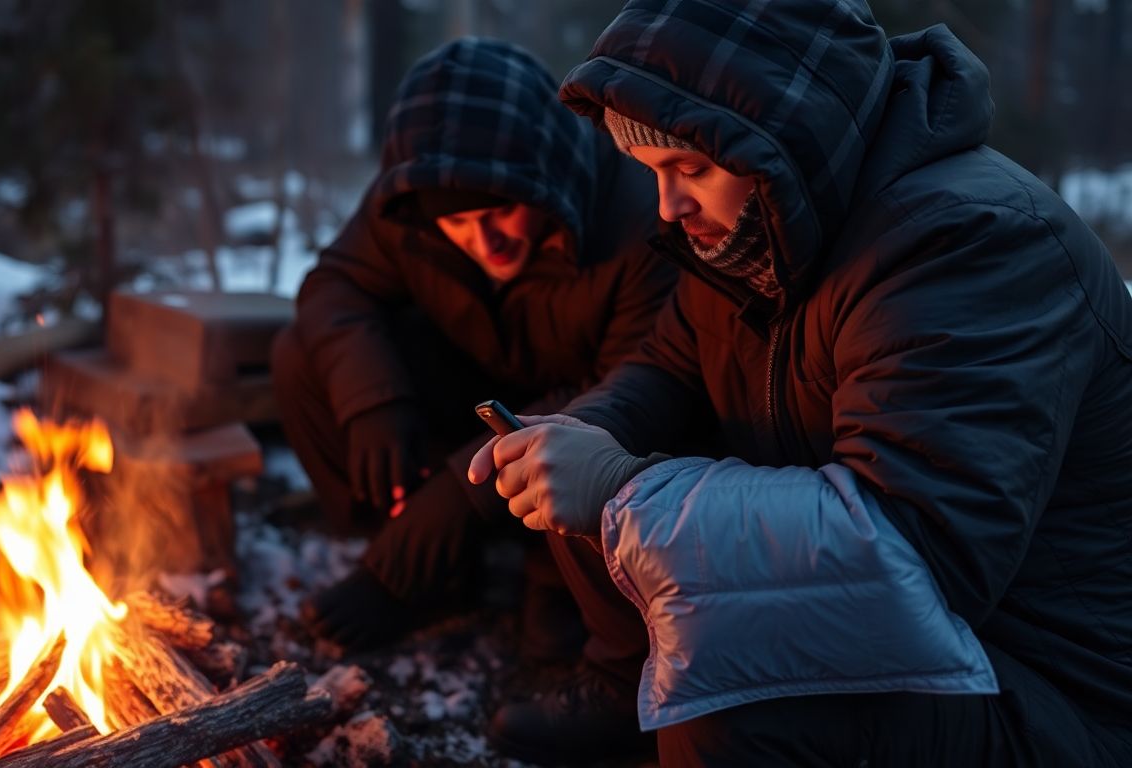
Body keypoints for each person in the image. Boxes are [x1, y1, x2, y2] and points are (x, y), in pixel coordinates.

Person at [468, 1, 1132, 765]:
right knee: (601, 469)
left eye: (691, 168)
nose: (668, 204)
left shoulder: (971, 240)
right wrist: (586, 438)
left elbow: (912, 552)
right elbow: (665, 373)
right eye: (652, 172)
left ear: (787, 141)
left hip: (1048, 685)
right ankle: (633, 690)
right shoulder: (762, 225)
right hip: (926, 642)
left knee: (735, 707)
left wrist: (620, 487)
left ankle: (677, 716)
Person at [272, 37, 674, 653]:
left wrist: (460, 496)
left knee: (555, 627)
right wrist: (374, 400)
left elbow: (628, 395)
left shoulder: (635, 225)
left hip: (578, 420)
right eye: (457, 223)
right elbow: (337, 285)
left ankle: (543, 578)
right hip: (472, 387)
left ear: (543, 179)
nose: (483, 241)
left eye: (500, 211)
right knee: (304, 355)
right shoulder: (412, 199)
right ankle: (416, 557)